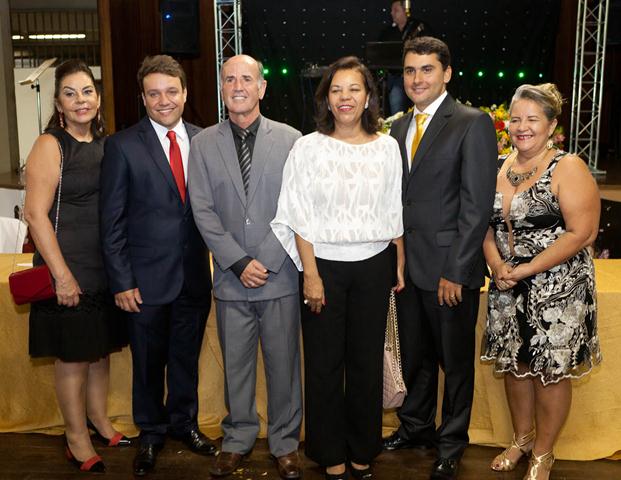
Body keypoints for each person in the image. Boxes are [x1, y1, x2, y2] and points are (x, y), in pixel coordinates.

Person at [271, 56, 405, 480]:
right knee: (324, 365)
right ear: (326, 99)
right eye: (336, 90)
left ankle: (363, 449)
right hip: (323, 267)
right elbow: (297, 214)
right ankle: (329, 452)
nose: (345, 97)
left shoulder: (387, 147)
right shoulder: (307, 148)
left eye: (354, 89)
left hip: (374, 266)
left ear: (368, 98)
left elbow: (393, 211)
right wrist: (310, 273)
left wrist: (398, 264)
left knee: (366, 363)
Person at [381, 37, 497, 480]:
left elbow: (476, 206)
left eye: (427, 69)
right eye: (410, 70)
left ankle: (451, 443)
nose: (417, 79)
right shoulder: (397, 128)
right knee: (416, 357)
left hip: (450, 269)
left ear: (446, 73)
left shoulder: (471, 122)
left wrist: (457, 271)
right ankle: (415, 427)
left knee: (455, 363)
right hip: (408, 269)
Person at [188, 54, 303, 480]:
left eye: (247, 79)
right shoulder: (203, 144)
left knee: (283, 366)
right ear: (222, 88)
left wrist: (266, 261)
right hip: (231, 279)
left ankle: (285, 443)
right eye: (230, 79)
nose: (238, 86)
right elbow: (202, 210)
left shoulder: (291, 140)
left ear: (262, 87)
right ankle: (237, 439)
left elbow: (295, 207)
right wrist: (238, 262)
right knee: (235, 366)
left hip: (279, 274)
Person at [99, 55, 215, 476]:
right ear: (143, 98)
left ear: (184, 93)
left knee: (185, 359)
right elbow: (111, 222)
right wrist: (121, 281)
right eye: (154, 94)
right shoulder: (122, 146)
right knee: (148, 364)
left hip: (194, 277)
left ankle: (184, 423)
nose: (163, 100)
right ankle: (150, 432)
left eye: (171, 91)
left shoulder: (205, 141)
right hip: (144, 282)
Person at [481, 83, 602, 480]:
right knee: (515, 366)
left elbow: (582, 233)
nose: (522, 127)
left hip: (558, 289)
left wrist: (527, 269)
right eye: (515, 119)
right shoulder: (499, 165)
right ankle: (521, 439)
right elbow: (483, 225)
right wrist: (496, 264)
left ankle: (543, 453)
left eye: (532, 119)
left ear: (551, 126)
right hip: (507, 285)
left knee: (549, 371)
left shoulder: (568, 167)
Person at [24, 59, 128, 473]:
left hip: (103, 269)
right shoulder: (50, 144)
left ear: (98, 98)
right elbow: (35, 215)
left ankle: (99, 420)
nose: (80, 100)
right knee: (73, 358)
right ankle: (75, 437)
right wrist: (62, 276)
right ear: (58, 103)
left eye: (87, 91)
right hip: (67, 268)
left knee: (99, 351)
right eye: (70, 93)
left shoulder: (106, 145)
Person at [378, 0, 433, 115]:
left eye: (396, 10)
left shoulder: (418, 27)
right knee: (396, 109)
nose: (392, 13)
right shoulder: (388, 32)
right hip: (396, 76)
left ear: (405, 11)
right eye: (392, 10)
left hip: (418, 76)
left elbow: (429, 49)